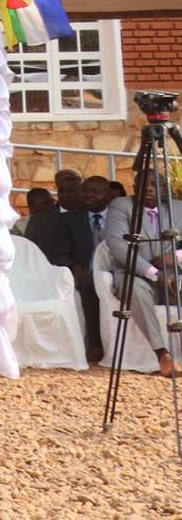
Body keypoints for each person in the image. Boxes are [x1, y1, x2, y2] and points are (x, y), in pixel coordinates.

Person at [99, 159, 182, 379]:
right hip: (136, 274)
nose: (149, 190)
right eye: (143, 185)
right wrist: (155, 274)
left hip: (175, 275)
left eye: (155, 185)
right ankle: (162, 354)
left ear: (165, 189)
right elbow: (117, 245)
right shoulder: (121, 206)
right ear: (134, 189)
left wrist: (174, 257)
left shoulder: (178, 208)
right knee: (133, 288)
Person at [27, 168, 103, 365]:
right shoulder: (42, 219)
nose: (67, 195)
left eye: (73, 190)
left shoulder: (91, 214)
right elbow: (31, 250)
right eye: (63, 191)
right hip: (58, 272)